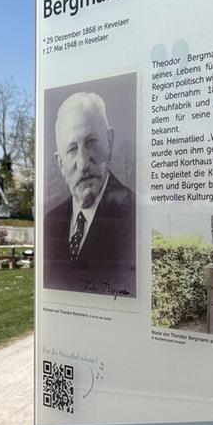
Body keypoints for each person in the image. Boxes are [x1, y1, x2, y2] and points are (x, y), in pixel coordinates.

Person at [43, 91, 135, 298]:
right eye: (72, 150)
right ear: (60, 164)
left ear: (109, 142)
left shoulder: (134, 215)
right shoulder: (51, 223)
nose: (83, 163)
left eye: (91, 142)